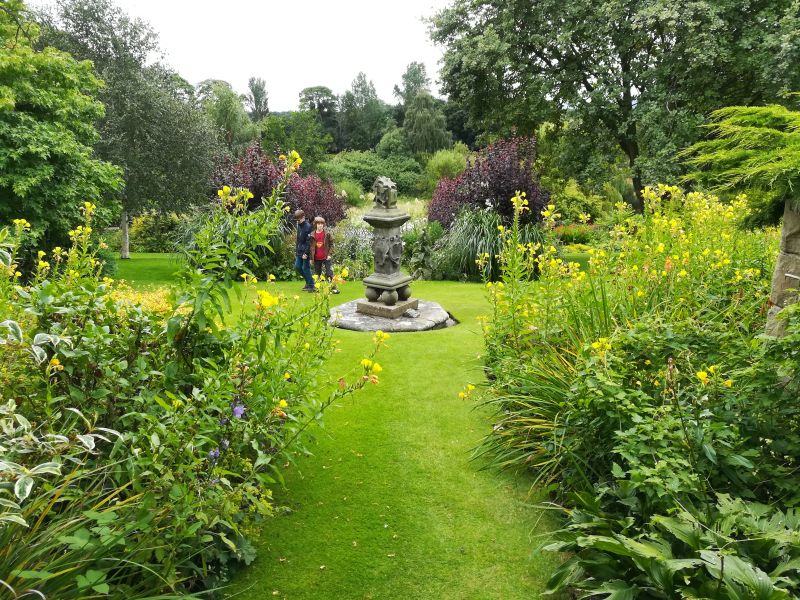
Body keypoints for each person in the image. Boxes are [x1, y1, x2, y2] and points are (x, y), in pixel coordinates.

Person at [308, 215, 340, 294]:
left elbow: (332, 245)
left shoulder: (327, 234)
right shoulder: (312, 235)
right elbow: (311, 247)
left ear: (324, 225)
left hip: (326, 257)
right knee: (317, 274)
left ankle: (333, 288)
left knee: (329, 273)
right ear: (315, 225)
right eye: (318, 224)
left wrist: (329, 254)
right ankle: (317, 288)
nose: (320, 225)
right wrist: (311, 258)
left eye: (322, 224)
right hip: (316, 258)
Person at [294, 209, 315, 292]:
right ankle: (308, 282)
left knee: (305, 268)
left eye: (298, 220)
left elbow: (309, 242)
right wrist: (297, 250)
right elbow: (298, 240)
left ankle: (311, 286)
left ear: (303, 217)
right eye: (296, 220)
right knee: (298, 267)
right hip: (299, 251)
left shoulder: (308, 227)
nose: (297, 222)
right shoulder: (299, 226)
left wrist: (306, 253)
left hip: (305, 252)